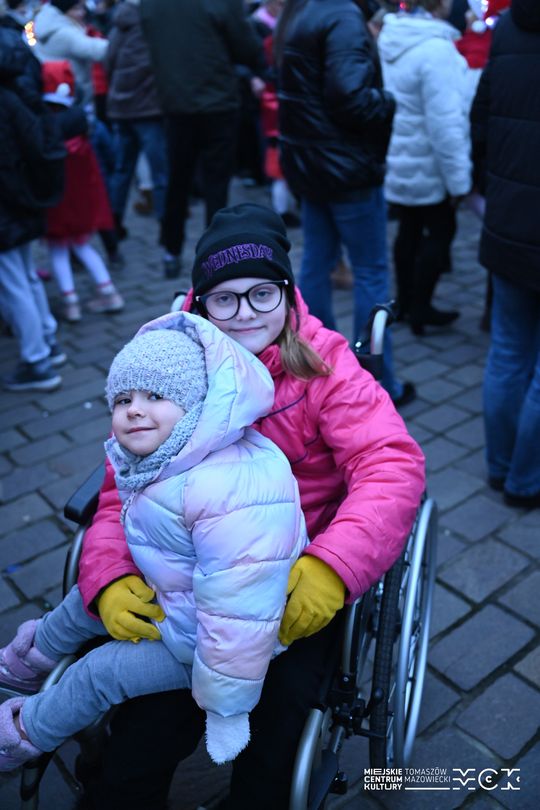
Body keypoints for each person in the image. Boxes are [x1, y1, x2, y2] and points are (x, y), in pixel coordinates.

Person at [68, 203, 425, 809]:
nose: (244, 315)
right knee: (140, 735)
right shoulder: (169, 364)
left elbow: (391, 464)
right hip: (178, 575)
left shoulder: (327, 366)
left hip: (290, 574)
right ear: (199, 302)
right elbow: (117, 492)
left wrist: (334, 566)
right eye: (224, 299)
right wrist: (108, 575)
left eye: (262, 294)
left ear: (288, 293)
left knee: (278, 730)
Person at [0, 309, 307, 770]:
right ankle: (27, 660)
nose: (135, 409)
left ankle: (24, 734)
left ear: (195, 404)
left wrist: (227, 708)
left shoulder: (224, 489)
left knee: (99, 673)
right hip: (179, 595)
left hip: (209, 644)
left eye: (156, 395)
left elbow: (240, 612)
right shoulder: (169, 456)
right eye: (122, 399)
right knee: (86, 598)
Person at [275, 0, 414, 406]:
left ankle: (319, 368)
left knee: (316, 263)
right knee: (369, 271)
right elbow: (350, 97)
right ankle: (376, 382)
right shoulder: (343, 16)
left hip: (314, 165)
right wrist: (387, 102)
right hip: (345, 169)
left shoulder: (307, 12)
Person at [138, 0, 265, 278]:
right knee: (215, 184)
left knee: (178, 180)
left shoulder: (150, 5)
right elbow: (246, 46)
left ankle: (171, 250)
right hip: (216, 100)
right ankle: (214, 255)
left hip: (176, 102)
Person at [470, 0, 540, 508]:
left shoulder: (511, 24)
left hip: (510, 219)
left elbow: (481, 118)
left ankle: (501, 468)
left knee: (510, 351)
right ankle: (524, 479)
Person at [0, 26, 86, 392]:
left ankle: (37, 361)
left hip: (8, 203)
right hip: (19, 199)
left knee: (12, 282)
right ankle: (46, 342)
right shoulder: (12, 91)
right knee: (24, 275)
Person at [378, 0, 472, 336]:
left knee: (409, 230)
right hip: (428, 163)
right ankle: (420, 305)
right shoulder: (436, 49)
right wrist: (460, 182)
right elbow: (445, 124)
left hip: (401, 156)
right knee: (441, 230)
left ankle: (404, 302)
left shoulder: (390, 37)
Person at [42, 60, 124, 322]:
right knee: (83, 246)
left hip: (56, 202)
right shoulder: (82, 121)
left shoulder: (43, 124)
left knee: (57, 250)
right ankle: (108, 291)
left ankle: (70, 302)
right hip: (81, 202)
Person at [105, 0, 168, 240]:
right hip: (148, 110)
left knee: (122, 170)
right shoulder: (155, 27)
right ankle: (166, 226)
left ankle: (113, 224)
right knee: (160, 172)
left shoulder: (118, 26)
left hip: (121, 108)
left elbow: (108, 61)